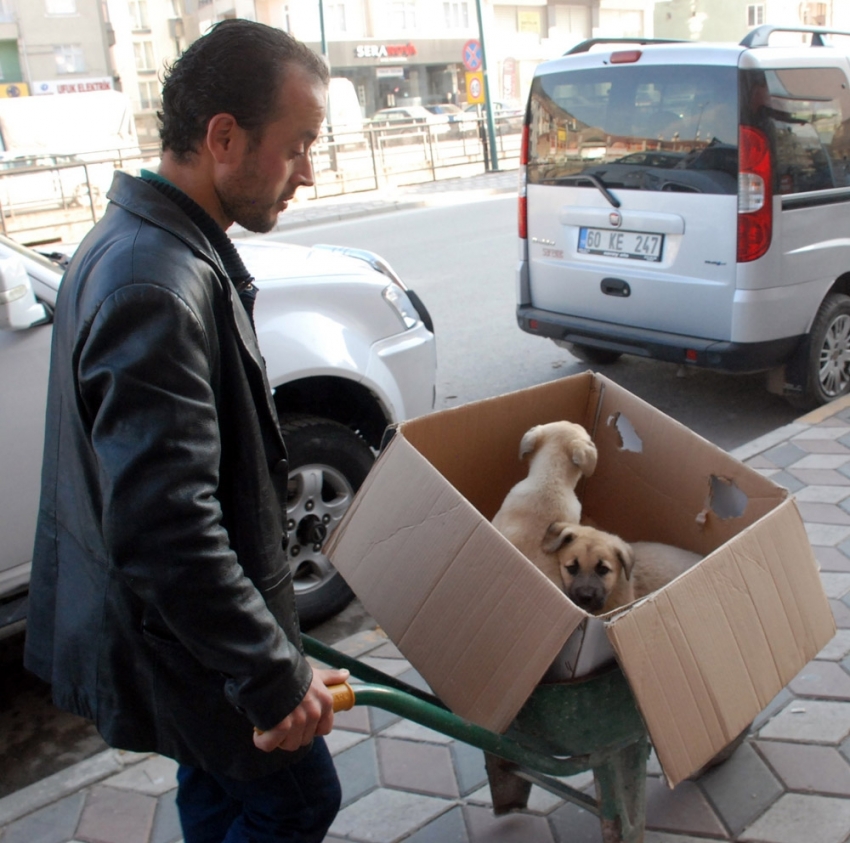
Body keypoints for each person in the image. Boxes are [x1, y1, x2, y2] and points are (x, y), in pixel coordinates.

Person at [23, 19, 349, 843]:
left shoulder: (141, 246)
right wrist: (276, 675)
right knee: (297, 800)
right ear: (224, 137)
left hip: (186, 647)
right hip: (192, 654)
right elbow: (168, 526)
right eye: (299, 143)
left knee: (218, 791)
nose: (308, 172)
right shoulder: (152, 280)